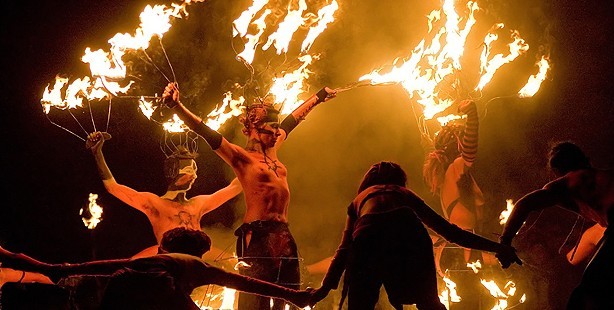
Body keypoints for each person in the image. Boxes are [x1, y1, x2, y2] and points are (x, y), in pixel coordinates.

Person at [162, 82, 336, 309]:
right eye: (271, 129)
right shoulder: (241, 158)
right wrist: (177, 107)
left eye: (276, 129)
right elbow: (207, 133)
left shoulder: (273, 147)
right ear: (254, 129)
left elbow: (291, 121)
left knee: (290, 293)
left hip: (283, 232)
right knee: (256, 296)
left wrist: (318, 97)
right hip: (258, 235)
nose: (277, 134)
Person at [312, 161, 521, 310]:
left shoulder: (360, 199)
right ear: (399, 180)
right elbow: (450, 232)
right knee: (429, 303)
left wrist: (323, 289)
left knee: (360, 305)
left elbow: (343, 251)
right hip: (407, 232)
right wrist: (498, 247)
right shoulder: (403, 193)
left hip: (368, 236)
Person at [0, 227, 316, 310]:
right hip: (156, 292)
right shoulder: (193, 265)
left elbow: (78, 268)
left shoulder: (144, 262)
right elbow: (248, 284)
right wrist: (295, 296)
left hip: (121, 293)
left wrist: (49, 267)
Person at [86, 131, 242, 259]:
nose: (194, 176)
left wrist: (257, 159)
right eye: (189, 171)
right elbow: (113, 187)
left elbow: (235, 187)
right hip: (169, 264)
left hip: (195, 264)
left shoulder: (198, 204)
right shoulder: (154, 203)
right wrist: (97, 153)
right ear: (174, 172)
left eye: (195, 171)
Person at [500, 141, 614, 309]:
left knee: (585, 295)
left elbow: (524, 204)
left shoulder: (570, 180)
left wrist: (505, 241)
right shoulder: (604, 176)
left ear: (558, 172)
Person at [423, 100, 497, 269]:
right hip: (467, 245)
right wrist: (472, 115)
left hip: (460, 244)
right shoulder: (456, 167)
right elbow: (470, 151)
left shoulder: (445, 176)